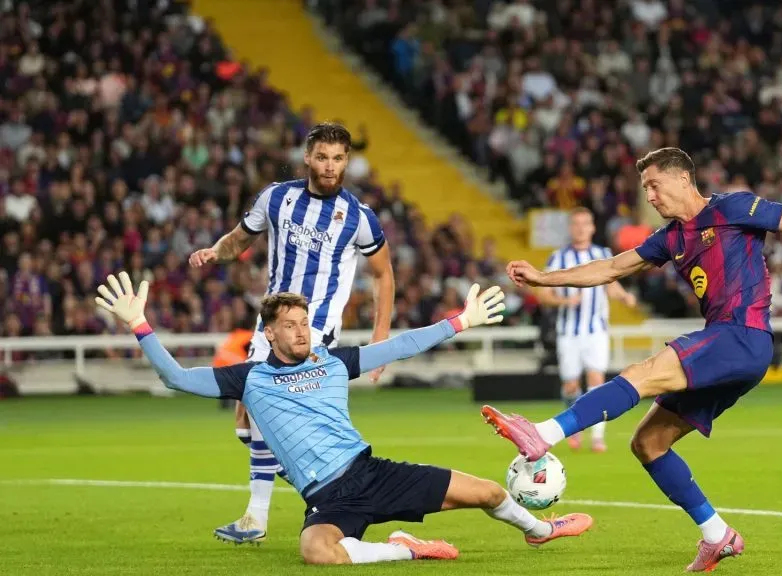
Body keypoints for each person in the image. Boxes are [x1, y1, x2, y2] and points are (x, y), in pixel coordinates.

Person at [482, 147, 782, 572]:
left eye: (653, 185)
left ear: (682, 177)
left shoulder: (735, 207)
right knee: (648, 444)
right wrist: (543, 278)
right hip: (727, 345)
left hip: (742, 335)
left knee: (644, 373)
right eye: (645, 189)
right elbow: (611, 268)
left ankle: (543, 432)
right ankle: (717, 536)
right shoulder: (669, 238)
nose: (649, 196)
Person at [94, 272, 592, 565]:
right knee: (316, 551)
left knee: (487, 492)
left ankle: (540, 530)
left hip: (371, 473)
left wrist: (460, 321)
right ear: (269, 334)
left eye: (304, 322)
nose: (301, 331)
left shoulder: (333, 361)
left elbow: (398, 346)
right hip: (326, 497)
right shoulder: (245, 378)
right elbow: (177, 378)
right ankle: (406, 549)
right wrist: (140, 325)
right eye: (289, 325)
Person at [188, 122, 396, 544]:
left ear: (347, 161)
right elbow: (240, 239)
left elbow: (384, 276)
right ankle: (315, 492)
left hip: (312, 334)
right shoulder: (277, 198)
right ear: (307, 157)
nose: (330, 166)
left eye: (338, 158)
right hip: (268, 328)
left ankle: (271, 512)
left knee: (270, 422)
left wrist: (380, 339)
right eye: (322, 157)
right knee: (247, 427)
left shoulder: (359, 217)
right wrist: (216, 250)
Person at [537, 207, 636, 452]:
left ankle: (597, 437)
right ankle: (574, 428)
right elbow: (543, 294)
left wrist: (624, 297)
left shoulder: (602, 254)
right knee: (570, 385)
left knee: (596, 379)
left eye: (585, 223)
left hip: (596, 331)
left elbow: (610, 286)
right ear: (571, 228)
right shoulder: (557, 258)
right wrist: (564, 302)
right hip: (569, 331)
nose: (581, 228)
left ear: (592, 227)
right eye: (576, 223)